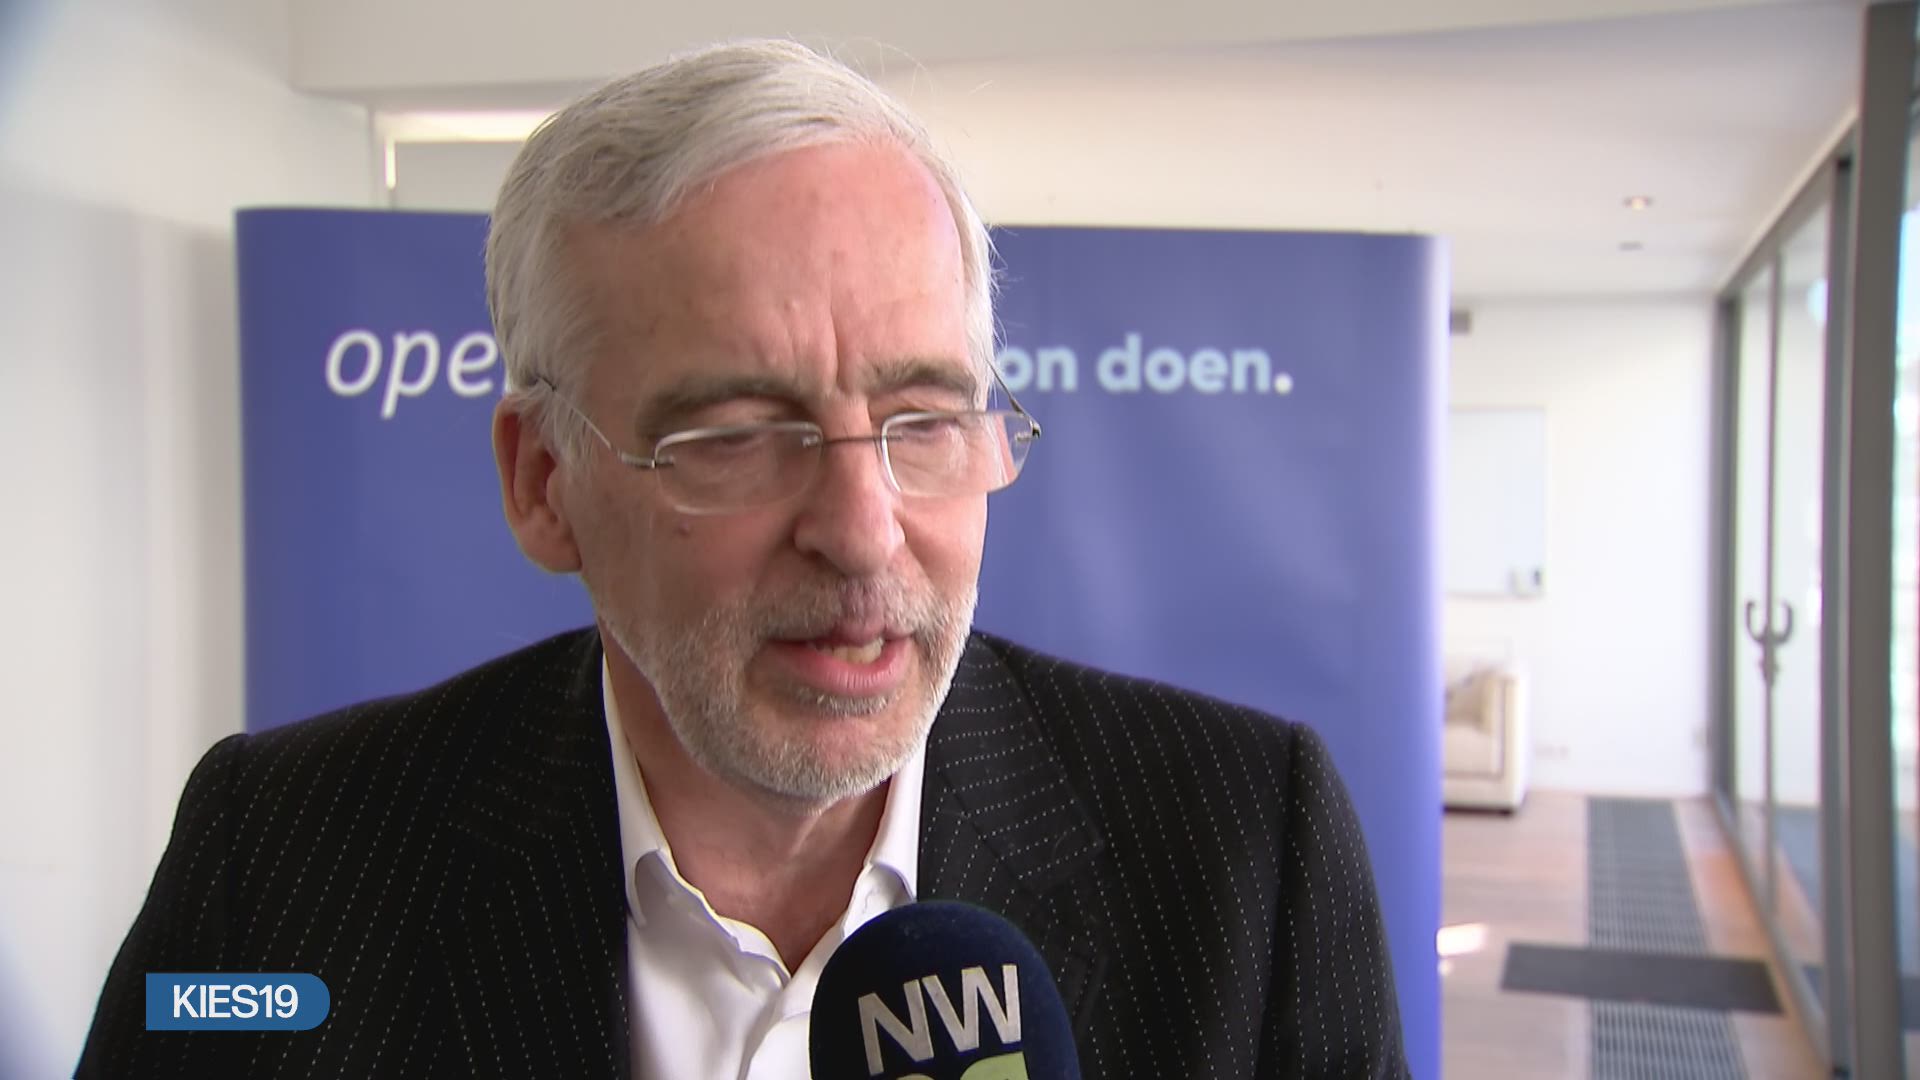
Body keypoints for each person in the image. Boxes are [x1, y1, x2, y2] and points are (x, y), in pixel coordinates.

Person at [79, 39, 1409, 1079]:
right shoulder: (282, 861)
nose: (863, 530)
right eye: (736, 436)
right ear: (544, 483)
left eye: (924, 420)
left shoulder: (1247, 849)